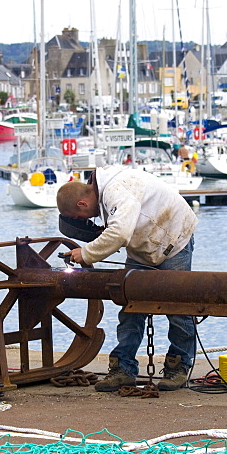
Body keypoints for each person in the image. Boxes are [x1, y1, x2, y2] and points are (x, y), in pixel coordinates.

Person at [56, 167, 199, 392]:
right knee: (130, 305)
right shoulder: (105, 191)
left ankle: (178, 367)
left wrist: (85, 253)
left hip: (174, 238)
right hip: (144, 245)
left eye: (79, 217)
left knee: (178, 307)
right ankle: (123, 369)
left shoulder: (115, 191)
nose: (85, 220)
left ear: (82, 204)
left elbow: (120, 233)